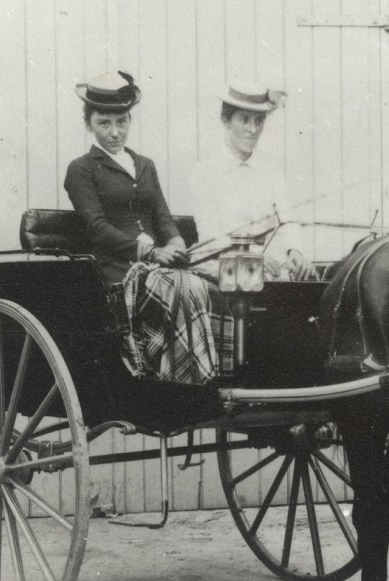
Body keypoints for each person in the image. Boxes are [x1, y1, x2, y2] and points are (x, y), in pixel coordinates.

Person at [64, 71, 218, 385]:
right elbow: (97, 228)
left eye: (121, 122)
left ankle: (212, 373)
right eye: (103, 123)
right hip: (118, 271)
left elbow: (162, 216)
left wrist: (175, 244)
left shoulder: (145, 164)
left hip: (156, 265)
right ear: (88, 124)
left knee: (215, 280)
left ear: (129, 120)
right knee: (184, 287)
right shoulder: (82, 169)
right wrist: (151, 252)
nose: (114, 132)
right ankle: (188, 379)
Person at [185, 80, 314, 281]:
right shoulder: (204, 174)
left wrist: (294, 251)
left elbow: (288, 222)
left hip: (273, 269)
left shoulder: (272, 171)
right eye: (244, 120)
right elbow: (211, 240)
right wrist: (253, 258)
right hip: (227, 269)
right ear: (226, 120)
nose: (252, 129)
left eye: (258, 120)